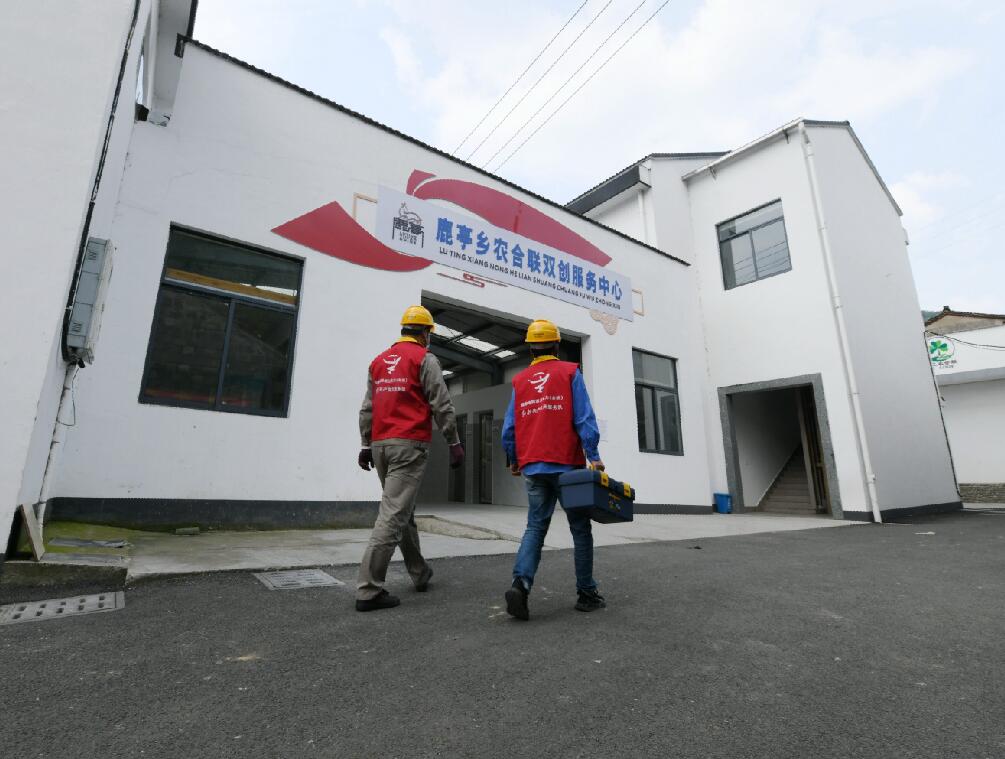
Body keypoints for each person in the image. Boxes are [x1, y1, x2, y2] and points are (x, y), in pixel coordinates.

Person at [355, 305, 464, 612]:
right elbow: (441, 403)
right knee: (392, 515)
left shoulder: (378, 362)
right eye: (429, 333)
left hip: (381, 446)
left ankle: (419, 572)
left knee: (403, 511)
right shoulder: (424, 359)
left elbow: (367, 408)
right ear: (425, 333)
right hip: (409, 446)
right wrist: (454, 441)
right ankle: (368, 589)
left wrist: (365, 444)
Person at [501, 319, 606, 621]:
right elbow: (583, 417)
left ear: (530, 349)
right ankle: (586, 593)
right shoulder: (570, 373)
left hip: (533, 466)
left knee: (535, 527)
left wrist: (514, 458)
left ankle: (520, 585)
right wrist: (593, 455)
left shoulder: (520, 381)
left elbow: (510, 427)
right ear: (557, 345)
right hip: (567, 466)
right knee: (580, 529)